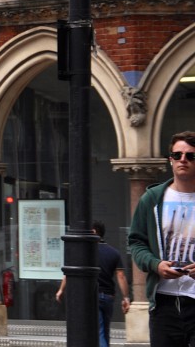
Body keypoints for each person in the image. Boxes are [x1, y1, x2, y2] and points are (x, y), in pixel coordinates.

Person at [128, 130, 195, 347]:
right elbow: (136, 242)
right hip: (163, 302)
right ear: (170, 160)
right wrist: (155, 265)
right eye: (177, 155)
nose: (183, 160)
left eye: (190, 155)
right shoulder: (152, 199)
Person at [55, 221, 130, 347]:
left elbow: (69, 273)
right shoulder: (114, 253)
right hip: (108, 297)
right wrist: (126, 297)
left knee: (98, 332)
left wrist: (61, 290)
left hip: (92, 296)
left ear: (94, 232)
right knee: (105, 331)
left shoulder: (85, 253)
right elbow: (121, 276)